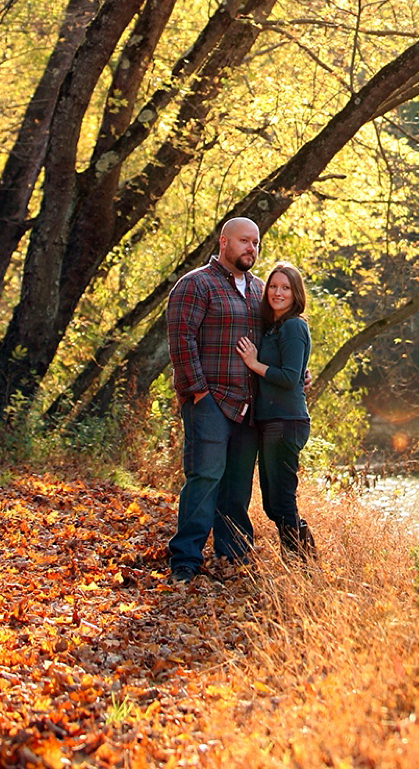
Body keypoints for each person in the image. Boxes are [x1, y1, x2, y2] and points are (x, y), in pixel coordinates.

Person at [165, 216, 264, 582]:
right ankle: (185, 562)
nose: (250, 248)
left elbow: (270, 342)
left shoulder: (259, 290)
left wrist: (295, 369)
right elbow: (181, 341)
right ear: (224, 242)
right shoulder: (196, 285)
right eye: (243, 241)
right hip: (209, 402)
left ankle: (234, 556)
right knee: (204, 478)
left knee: (237, 485)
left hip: (249, 404)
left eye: (255, 242)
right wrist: (199, 393)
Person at [236, 261, 314, 556]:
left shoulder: (293, 325)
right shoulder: (274, 327)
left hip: (286, 421)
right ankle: (306, 561)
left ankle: (300, 567)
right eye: (273, 286)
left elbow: (290, 377)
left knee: (281, 502)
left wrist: (254, 364)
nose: (277, 292)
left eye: (285, 288)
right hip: (271, 421)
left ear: (296, 294)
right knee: (272, 503)